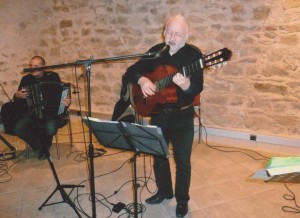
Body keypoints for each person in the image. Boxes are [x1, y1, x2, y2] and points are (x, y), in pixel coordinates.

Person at [126, 15, 204, 217]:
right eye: (169, 32)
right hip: (159, 114)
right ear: (164, 32)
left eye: (178, 33)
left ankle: (182, 200)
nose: (173, 37)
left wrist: (186, 85)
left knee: (182, 160)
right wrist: (143, 80)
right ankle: (164, 191)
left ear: (186, 35)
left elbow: (197, 86)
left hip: (182, 116)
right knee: (159, 156)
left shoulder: (193, 56)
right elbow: (132, 70)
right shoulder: (156, 51)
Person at [13, 56, 71, 160]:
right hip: (32, 113)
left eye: (36, 66)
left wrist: (67, 101)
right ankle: (41, 148)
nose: (32, 68)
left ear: (43, 67)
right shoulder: (26, 79)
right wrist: (17, 95)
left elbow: (62, 94)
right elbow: (18, 99)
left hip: (51, 114)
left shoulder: (53, 77)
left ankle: (43, 147)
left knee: (50, 128)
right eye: (31, 65)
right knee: (18, 128)